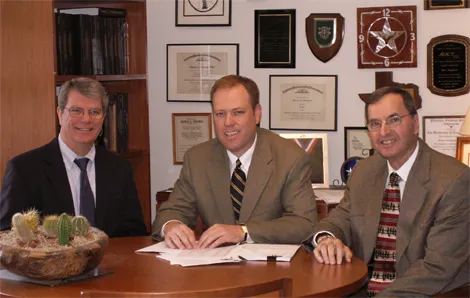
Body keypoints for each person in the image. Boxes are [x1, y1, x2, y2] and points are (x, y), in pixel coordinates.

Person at [303, 86, 469, 297]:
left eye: (394, 120)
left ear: (415, 123)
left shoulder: (453, 180)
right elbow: (340, 219)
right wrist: (326, 239)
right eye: (375, 124)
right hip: (361, 288)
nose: (384, 132)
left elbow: (438, 267)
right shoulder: (364, 171)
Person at [152, 75, 317, 249]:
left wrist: (244, 232)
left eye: (238, 112)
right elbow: (171, 211)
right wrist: (171, 226)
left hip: (270, 267)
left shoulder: (290, 158)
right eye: (220, 114)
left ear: (257, 114)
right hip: (215, 269)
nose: (228, 123)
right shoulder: (197, 159)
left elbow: (304, 224)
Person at [0, 77, 147, 237]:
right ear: (60, 114)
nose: (86, 119)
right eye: (76, 110)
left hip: (113, 261)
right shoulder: (24, 170)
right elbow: (8, 238)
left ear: (103, 118)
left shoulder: (120, 168)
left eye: (94, 112)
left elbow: (134, 235)